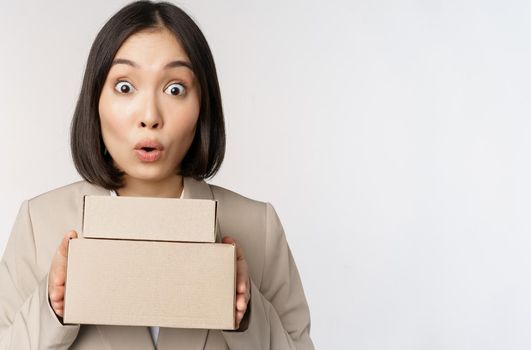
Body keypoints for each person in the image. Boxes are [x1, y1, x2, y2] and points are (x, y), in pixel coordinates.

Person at [0, 1, 314, 349]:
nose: (150, 115)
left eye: (175, 89)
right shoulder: (39, 223)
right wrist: (52, 307)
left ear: (202, 106)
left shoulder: (258, 226)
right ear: (95, 100)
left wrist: (246, 312)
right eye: (124, 87)